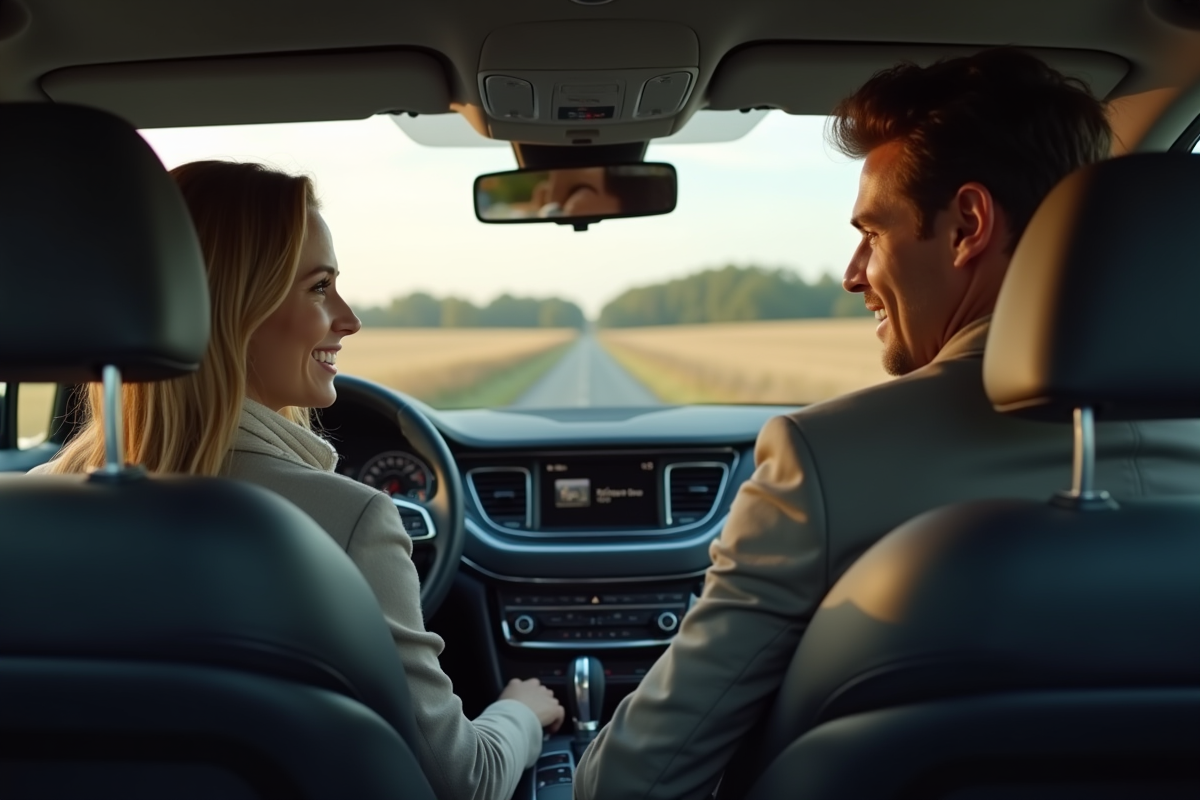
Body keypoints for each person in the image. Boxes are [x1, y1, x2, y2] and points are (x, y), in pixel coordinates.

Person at [573, 48, 1200, 800]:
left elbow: (635, 786)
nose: (852, 273)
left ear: (967, 225)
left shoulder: (824, 462)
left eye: (873, 232)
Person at [32, 160, 564, 800]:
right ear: (234, 308)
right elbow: (462, 781)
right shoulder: (349, 522)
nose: (349, 318)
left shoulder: (30, 508)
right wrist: (520, 714)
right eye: (319, 287)